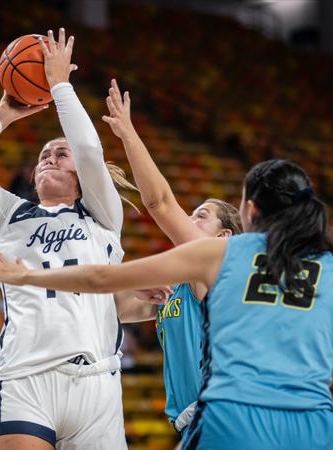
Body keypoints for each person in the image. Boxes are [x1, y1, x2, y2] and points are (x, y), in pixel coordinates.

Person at [0, 159, 333, 450]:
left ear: (249, 211)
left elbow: (109, 267)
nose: (192, 222)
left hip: (234, 417)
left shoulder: (221, 256)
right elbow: (121, 304)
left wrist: (27, 276)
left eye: (202, 217)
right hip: (312, 424)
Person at [0, 28, 138, 450]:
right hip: (24, 374)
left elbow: (87, 147)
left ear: (82, 176)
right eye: (44, 154)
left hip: (96, 381)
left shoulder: (102, 215)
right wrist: (4, 114)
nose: (50, 157)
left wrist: (60, 84)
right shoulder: (11, 215)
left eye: (60, 154)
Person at [103, 78, 242, 433]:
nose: (189, 219)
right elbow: (116, 309)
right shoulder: (178, 285)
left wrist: (128, 135)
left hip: (223, 413)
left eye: (200, 216)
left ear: (224, 236)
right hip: (196, 420)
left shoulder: (218, 268)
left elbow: (160, 203)